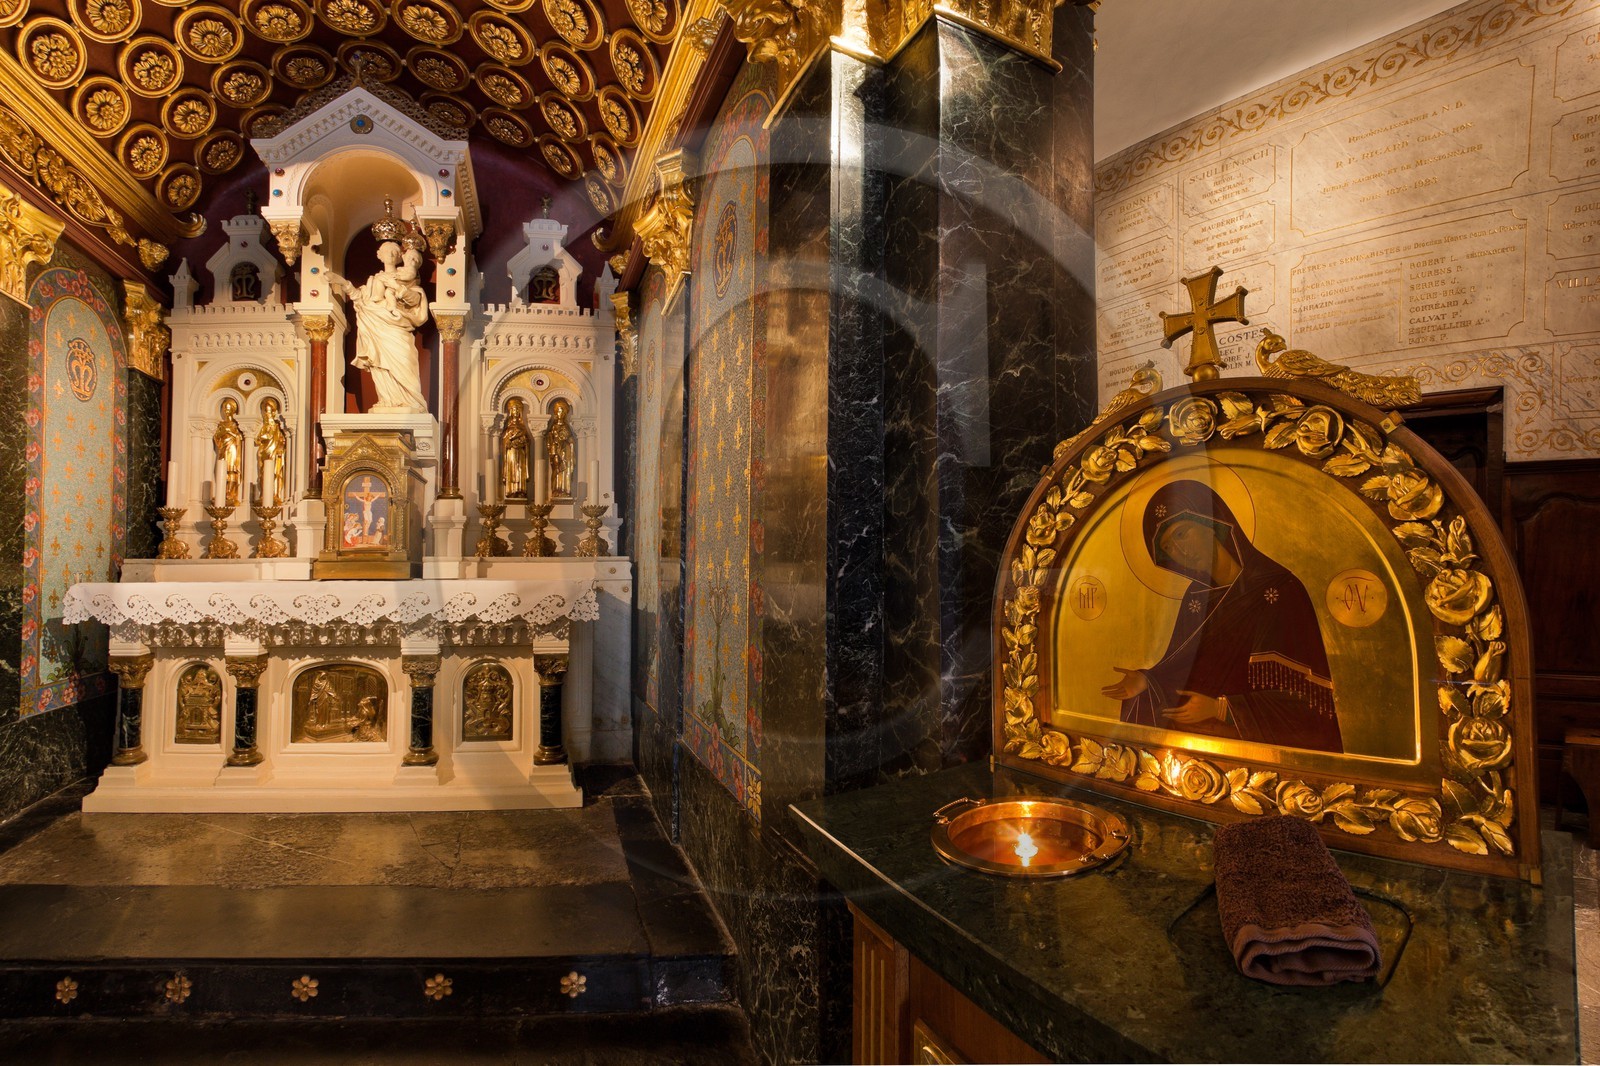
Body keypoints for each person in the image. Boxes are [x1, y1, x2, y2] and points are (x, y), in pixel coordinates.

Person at [1101, 480, 1344, 753]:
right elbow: (1183, 668)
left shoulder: (1277, 589)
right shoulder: (1196, 598)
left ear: (1212, 522)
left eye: (1182, 535)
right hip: (1199, 729)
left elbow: (1308, 702)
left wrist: (1221, 708)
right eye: (1169, 548)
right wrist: (1148, 680)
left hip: (1256, 736)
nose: (1180, 552)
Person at [329, 240, 429, 413]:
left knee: (404, 360)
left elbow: (415, 299)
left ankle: (411, 402)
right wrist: (344, 284)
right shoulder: (373, 280)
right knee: (380, 364)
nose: (390, 254)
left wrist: (397, 287)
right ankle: (388, 400)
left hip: (398, 327)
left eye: (395, 252)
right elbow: (360, 298)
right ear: (379, 254)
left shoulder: (407, 277)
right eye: (387, 251)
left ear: (400, 257)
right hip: (377, 325)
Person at [254, 397, 287, 507]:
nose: (266, 415)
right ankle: (264, 494)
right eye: (265, 412)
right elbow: (258, 440)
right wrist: (262, 438)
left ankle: (275, 494)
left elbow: (282, 440)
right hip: (264, 452)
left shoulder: (276, 427)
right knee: (263, 473)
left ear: (273, 412)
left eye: (268, 412)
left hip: (274, 453)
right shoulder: (264, 427)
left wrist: (280, 447)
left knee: (275, 473)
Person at [213, 397, 244, 507]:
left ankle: (231, 493)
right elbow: (216, 438)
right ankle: (223, 493)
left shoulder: (235, 425)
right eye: (225, 408)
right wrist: (222, 434)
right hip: (223, 449)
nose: (226, 410)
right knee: (222, 471)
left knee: (231, 470)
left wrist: (230, 433)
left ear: (233, 410)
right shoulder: (221, 424)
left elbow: (239, 437)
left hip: (232, 449)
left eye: (228, 408)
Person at [500, 397, 531, 499]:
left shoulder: (523, 427)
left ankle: (521, 490)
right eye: (514, 409)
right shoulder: (508, 427)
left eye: (518, 409)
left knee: (520, 469)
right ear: (510, 411)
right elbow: (505, 441)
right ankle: (511, 491)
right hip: (511, 453)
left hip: (521, 453)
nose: (516, 411)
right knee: (512, 470)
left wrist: (523, 441)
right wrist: (511, 440)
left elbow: (527, 441)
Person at [546, 398, 575, 498]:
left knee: (565, 470)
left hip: (565, 453)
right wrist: (554, 449)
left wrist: (567, 440)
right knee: (557, 470)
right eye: (558, 411)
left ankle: (565, 490)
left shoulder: (566, 427)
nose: (560, 413)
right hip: (556, 453)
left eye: (563, 411)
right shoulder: (553, 427)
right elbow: (549, 441)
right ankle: (556, 489)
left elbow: (571, 440)